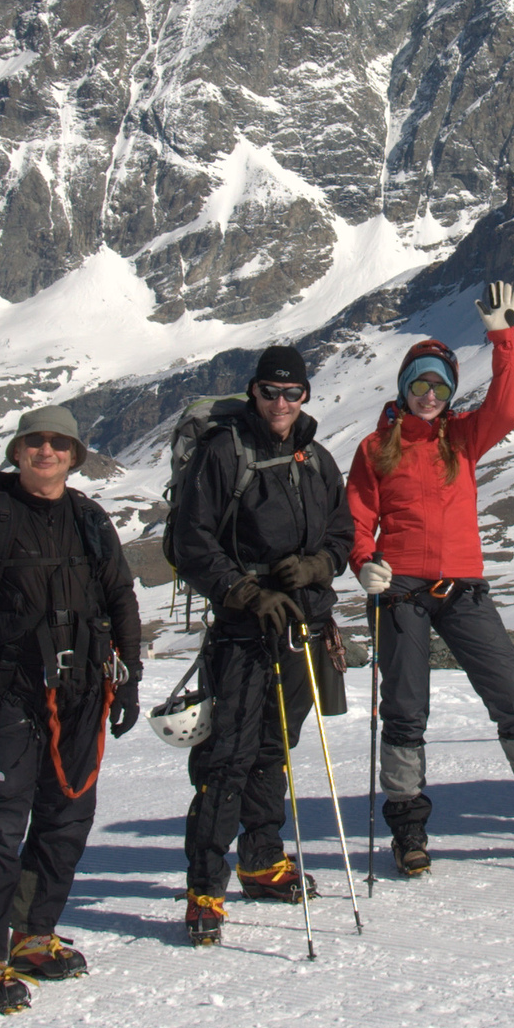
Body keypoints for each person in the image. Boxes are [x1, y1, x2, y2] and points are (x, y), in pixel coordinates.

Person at [348, 282, 514, 872]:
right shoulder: (374, 448)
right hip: (401, 593)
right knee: (406, 710)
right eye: (421, 384)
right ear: (404, 389)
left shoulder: (461, 438)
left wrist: (502, 336)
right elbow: (358, 516)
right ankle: (408, 831)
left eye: (440, 385)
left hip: (463, 590)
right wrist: (364, 562)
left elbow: (508, 408)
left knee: (513, 697)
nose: (430, 394)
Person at [0, 406, 142, 1013]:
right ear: (17, 453)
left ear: (75, 456)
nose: (46, 452)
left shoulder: (89, 518)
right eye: (35, 443)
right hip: (14, 689)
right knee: (1, 824)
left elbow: (121, 598)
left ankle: (33, 936)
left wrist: (126, 682)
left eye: (58, 444)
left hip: (83, 688)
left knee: (68, 817)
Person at [168, 344, 352, 948]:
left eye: (291, 393)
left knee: (276, 747)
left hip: (301, 624)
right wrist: (246, 593)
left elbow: (343, 533)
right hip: (245, 629)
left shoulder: (318, 459)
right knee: (228, 757)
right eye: (270, 392)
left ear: (305, 396)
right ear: (253, 392)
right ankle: (204, 888)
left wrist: (320, 564)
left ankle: (262, 859)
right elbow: (190, 542)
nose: (280, 403)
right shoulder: (226, 453)